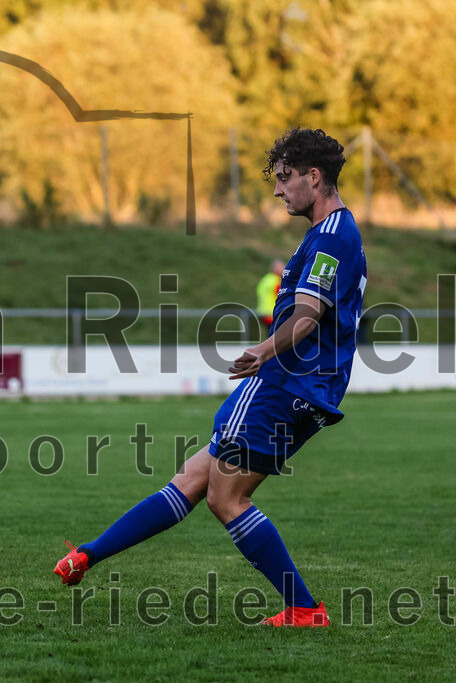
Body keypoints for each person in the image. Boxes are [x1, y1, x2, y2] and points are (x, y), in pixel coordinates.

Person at [55, 128, 366, 628]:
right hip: (306, 389)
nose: (277, 189)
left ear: (314, 177)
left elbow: (307, 315)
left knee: (226, 497)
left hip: (285, 384)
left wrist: (263, 353)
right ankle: (88, 556)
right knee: (194, 478)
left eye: (285, 178)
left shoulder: (331, 237)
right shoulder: (335, 234)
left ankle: (305, 609)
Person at [256, 259, 285, 336]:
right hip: (273, 314)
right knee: (277, 338)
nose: (284, 269)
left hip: (263, 312)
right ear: (275, 269)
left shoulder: (265, 279)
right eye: (282, 267)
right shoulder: (276, 281)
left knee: (270, 336)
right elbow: (282, 296)